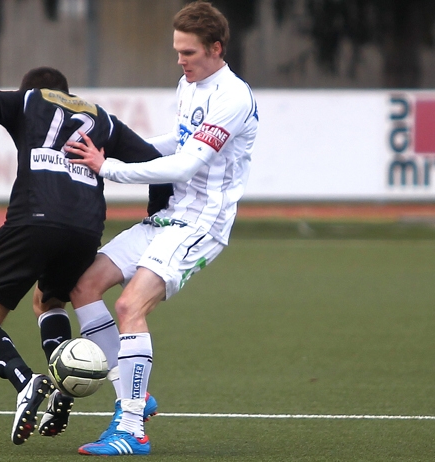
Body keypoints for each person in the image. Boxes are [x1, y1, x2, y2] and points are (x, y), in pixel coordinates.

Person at [0, 67, 171, 446]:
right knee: (48, 301)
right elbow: (154, 163)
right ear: (68, 94)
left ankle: (25, 382)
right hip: (86, 230)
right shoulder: (103, 119)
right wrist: (155, 216)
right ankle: (62, 388)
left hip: (34, 219)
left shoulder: (28, 100)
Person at [63, 1, 259, 456]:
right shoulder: (187, 85)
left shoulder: (232, 97)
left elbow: (190, 162)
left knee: (131, 305)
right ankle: (134, 394)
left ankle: (131, 429)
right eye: (176, 52)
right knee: (85, 285)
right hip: (170, 216)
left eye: (188, 53)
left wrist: (108, 167)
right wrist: (125, 146)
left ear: (216, 48)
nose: (180, 61)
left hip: (202, 223)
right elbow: (177, 143)